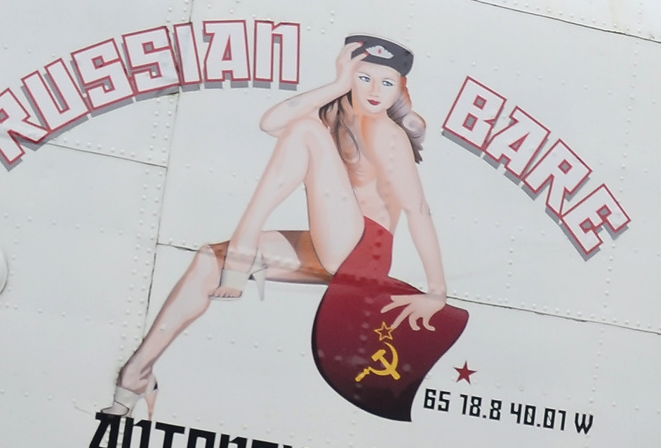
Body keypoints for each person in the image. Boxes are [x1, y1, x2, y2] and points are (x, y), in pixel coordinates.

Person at [105, 35, 465, 423]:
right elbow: (271, 122)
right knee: (210, 260)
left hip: (366, 250)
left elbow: (419, 210)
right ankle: (136, 377)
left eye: (387, 83)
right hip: (332, 245)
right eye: (364, 79)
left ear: (400, 89)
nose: (375, 91)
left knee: (305, 131)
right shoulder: (338, 115)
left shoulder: (389, 135)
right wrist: (336, 85)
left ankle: (244, 242)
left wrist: (438, 291)